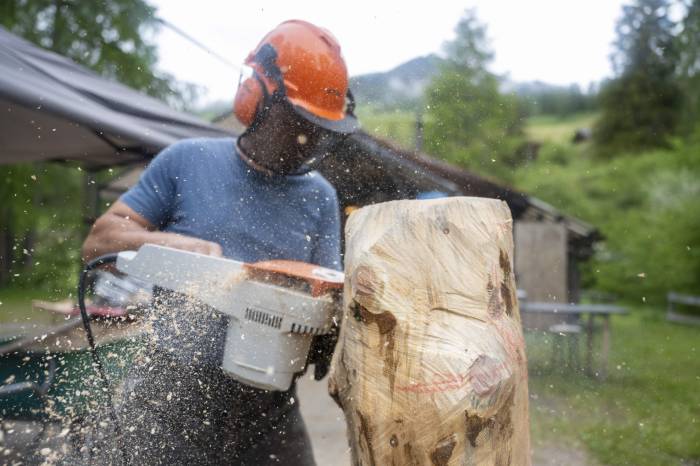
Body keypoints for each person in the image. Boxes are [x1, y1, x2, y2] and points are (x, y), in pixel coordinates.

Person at [81, 19, 358, 465]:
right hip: (172, 389)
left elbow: (325, 293)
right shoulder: (186, 161)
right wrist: (175, 244)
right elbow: (99, 243)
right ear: (256, 99)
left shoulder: (320, 196)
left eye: (318, 128)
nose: (306, 140)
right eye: (295, 122)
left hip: (269, 403)